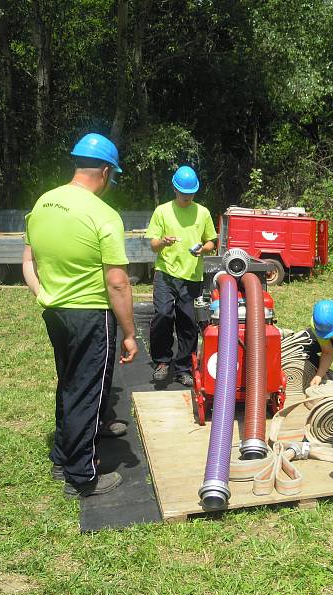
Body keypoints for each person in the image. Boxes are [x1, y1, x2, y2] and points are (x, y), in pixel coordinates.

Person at [22, 132, 138, 498]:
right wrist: (130, 333)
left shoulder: (44, 204)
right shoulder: (103, 214)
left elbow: (29, 262)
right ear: (105, 171)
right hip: (91, 315)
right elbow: (117, 283)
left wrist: (45, 294)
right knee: (88, 390)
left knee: (70, 382)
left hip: (55, 312)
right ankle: (81, 476)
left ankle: (62, 457)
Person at [146, 166, 217, 386]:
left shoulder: (203, 212)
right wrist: (163, 241)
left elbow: (212, 242)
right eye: (183, 193)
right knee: (164, 315)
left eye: (190, 193)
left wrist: (203, 249)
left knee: (188, 322)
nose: (186, 197)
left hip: (192, 275)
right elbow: (153, 245)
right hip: (165, 273)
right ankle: (162, 361)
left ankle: (183, 367)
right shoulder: (162, 211)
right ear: (175, 189)